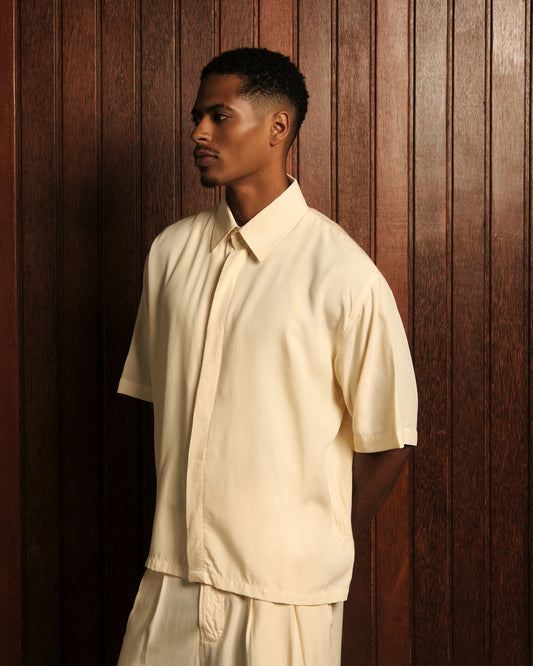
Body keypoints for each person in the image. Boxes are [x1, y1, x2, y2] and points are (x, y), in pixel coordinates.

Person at [116, 47, 417, 666]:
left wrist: (313, 540)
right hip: (170, 581)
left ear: (278, 126)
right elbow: (164, 405)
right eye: (197, 117)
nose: (199, 133)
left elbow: (391, 438)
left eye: (219, 116)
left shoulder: (343, 275)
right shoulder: (169, 255)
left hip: (285, 598)